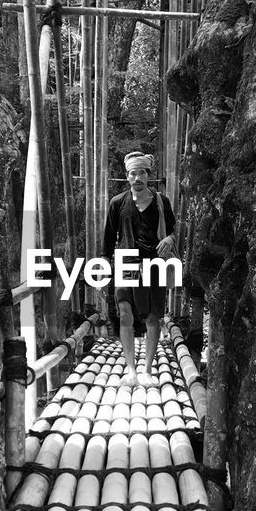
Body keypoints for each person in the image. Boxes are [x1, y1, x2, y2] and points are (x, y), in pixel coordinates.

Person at [102, 151, 177, 386]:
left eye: (142, 173)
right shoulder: (118, 203)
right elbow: (107, 240)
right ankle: (131, 370)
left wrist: (170, 239)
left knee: (153, 316)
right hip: (126, 260)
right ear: (127, 177)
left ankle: (147, 371)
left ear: (148, 175)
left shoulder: (161, 202)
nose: (137, 178)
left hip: (154, 261)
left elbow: (175, 231)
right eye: (133, 173)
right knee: (125, 313)